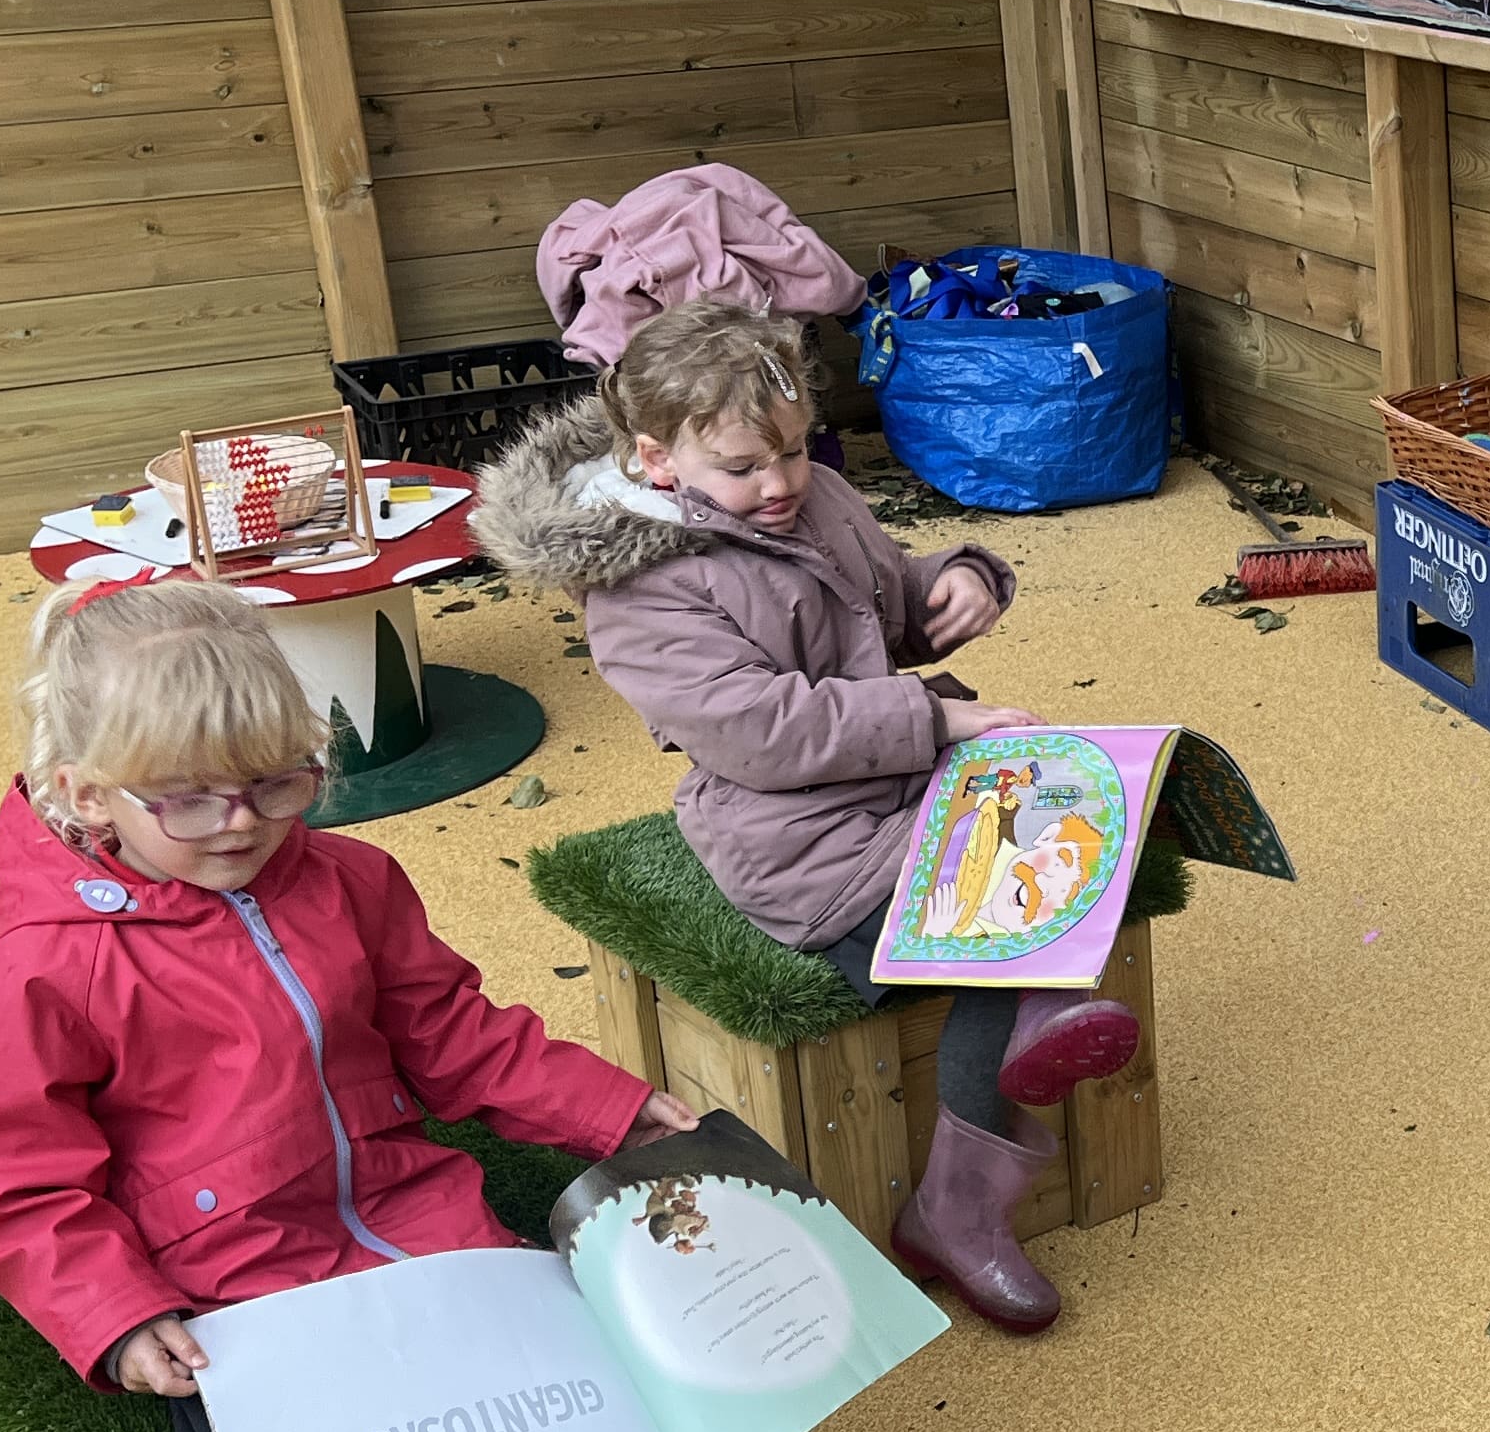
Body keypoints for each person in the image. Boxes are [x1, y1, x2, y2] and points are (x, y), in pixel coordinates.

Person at [0, 579, 697, 1432]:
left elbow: (458, 1039)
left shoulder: (346, 878)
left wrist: (615, 1111)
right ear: (80, 793)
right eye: (187, 799)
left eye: (279, 782)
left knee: (561, 1369)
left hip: (410, 1205)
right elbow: (18, 1185)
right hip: (231, 1271)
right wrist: (115, 1317)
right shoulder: (44, 968)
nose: (242, 826)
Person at [474, 303, 1138, 1334]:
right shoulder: (637, 592)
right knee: (987, 927)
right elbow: (760, 731)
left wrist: (955, 583)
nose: (780, 482)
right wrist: (935, 718)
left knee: (1087, 809)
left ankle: (1041, 1010)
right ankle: (957, 1209)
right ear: (657, 458)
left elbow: (880, 604)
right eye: (745, 466)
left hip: (907, 780)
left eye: (792, 450)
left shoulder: (812, 496)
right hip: (800, 845)